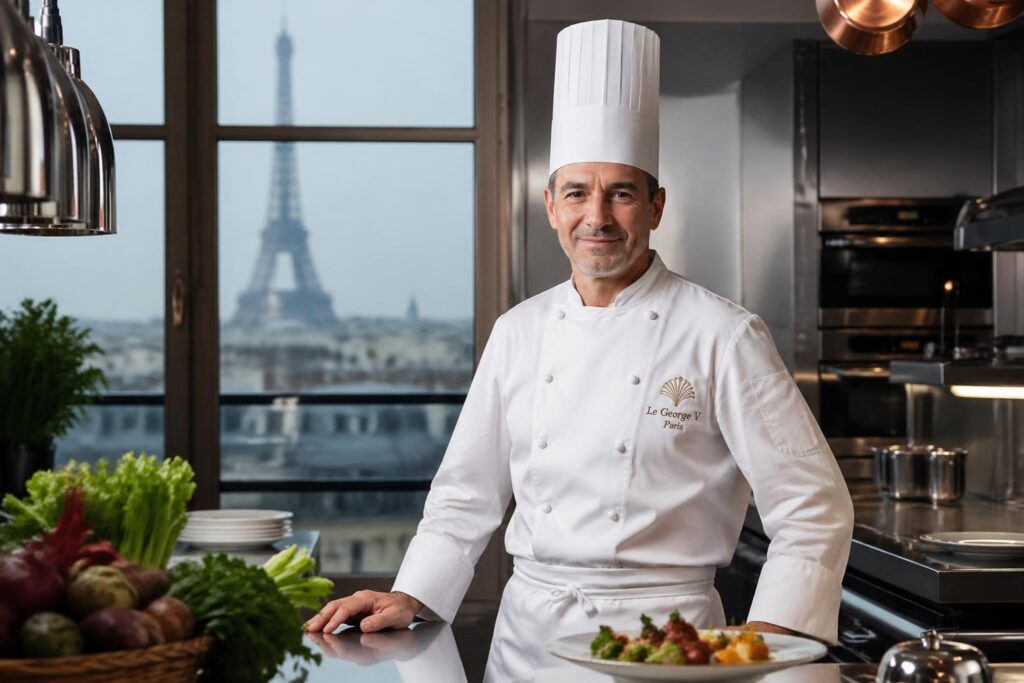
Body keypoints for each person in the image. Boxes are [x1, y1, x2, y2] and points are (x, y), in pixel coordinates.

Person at [304, 19, 854, 681]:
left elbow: (812, 502)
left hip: (667, 645)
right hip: (528, 642)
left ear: (655, 206)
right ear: (549, 205)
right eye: (577, 192)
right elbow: (465, 495)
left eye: (621, 193)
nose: (597, 216)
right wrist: (412, 592)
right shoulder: (520, 331)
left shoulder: (723, 334)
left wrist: (768, 639)